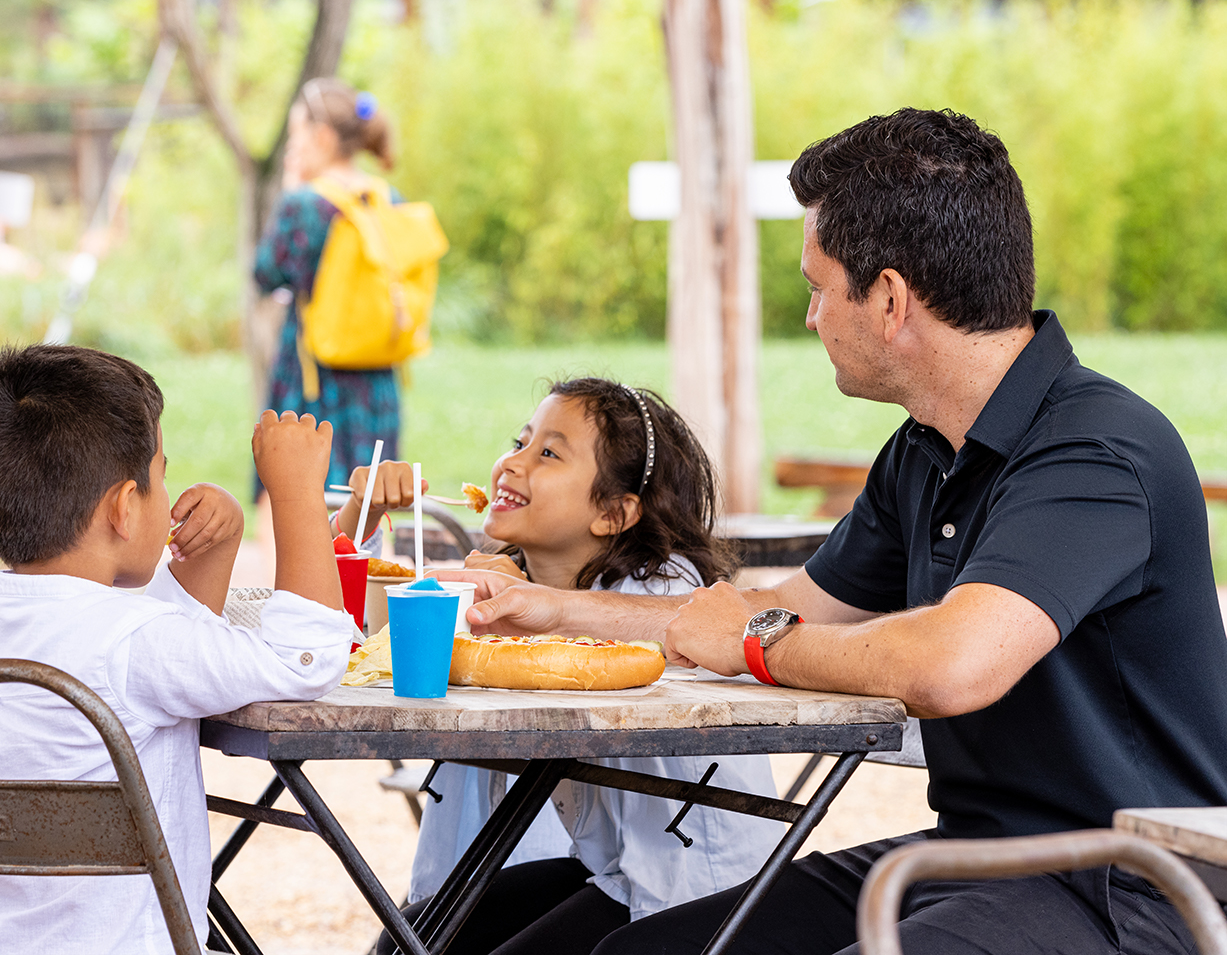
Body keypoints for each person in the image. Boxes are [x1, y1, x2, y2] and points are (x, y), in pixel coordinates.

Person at [448, 109, 1227, 955]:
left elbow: (947, 666)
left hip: (1137, 885)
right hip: (977, 858)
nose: (812, 317)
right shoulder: (924, 450)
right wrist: (557, 612)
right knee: (645, 950)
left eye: (818, 288)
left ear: (889, 298)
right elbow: (785, 609)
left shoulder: (1094, 451)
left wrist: (757, 639)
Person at [0, 345, 355, 955]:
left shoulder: (5, 625)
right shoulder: (135, 642)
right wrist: (296, 495)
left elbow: (154, 643)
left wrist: (215, 546)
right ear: (125, 508)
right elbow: (306, 658)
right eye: (160, 475)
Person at [379, 378, 783, 955]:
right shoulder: (524, 588)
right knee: (406, 941)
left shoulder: (664, 593)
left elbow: (607, 673)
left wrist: (525, 625)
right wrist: (360, 520)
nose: (511, 463)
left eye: (547, 453)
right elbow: (369, 644)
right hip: (612, 869)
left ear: (614, 513)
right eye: (519, 441)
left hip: (696, 887)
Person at [254, 77, 402, 489]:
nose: (293, 144)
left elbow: (267, 272)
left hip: (312, 373)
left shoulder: (305, 204)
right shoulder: (388, 197)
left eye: (297, 132)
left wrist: (289, 191)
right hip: (376, 377)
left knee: (286, 490)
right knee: (372, 496)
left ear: (320, 136)